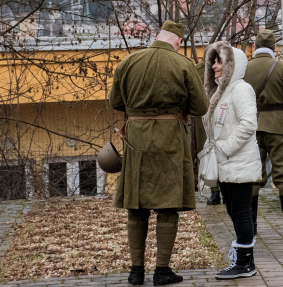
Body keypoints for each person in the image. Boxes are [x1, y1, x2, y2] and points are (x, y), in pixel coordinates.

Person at [109, 20, 209, 286]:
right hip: (171, 141)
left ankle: (136, 271)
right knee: (168, 205)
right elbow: (200, 107)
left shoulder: (128, 62)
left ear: (158, 36)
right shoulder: (183, 65)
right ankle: (162, 271)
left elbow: (115, 102)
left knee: (137, 206)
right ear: (178, 41)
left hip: (137, 139)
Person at [202, 41, 261, 279]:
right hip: (227, 163)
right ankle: (245, 260)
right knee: (234, 210)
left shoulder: (241, 89)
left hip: (238, 161)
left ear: (231, 66)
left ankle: (245, 264)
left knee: (242, 212)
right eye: (213, 61)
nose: (214, 66)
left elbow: (248, 124)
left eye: (219, 61)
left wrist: (224, 149)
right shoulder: (221, 92)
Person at [244, 29, 283, 236]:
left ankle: (251, 226)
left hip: (251, 127)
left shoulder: (244, 69)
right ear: (274, 48)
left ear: (255, 47)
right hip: (278, 128)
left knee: (253, 174)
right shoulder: (282, 68)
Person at [192, 59, 222, 206]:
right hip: (206, 115)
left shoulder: (196, 70)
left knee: (215, 152)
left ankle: (217, 191)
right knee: (212, 152)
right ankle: (216, 191)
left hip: (214, 113)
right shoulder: (197, 70)